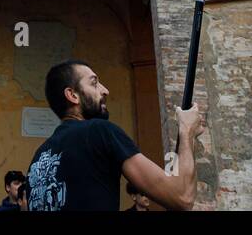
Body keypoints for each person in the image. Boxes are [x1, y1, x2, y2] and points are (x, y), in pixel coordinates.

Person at [27, 59, 202, 211]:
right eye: (94, 83)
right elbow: (181, 197)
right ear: (73, 95)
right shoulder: (99, 131)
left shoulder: (37, 158)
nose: (105, 90)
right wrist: (187, 132)